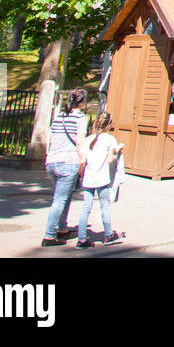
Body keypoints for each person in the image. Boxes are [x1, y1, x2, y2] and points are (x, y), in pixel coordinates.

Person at [42, 88, 89, 247]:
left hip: (52, 161)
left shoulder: (59, 117)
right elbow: (80, 141)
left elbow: (51, 138)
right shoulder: (81, 118)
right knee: (60, 199)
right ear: (82, 102)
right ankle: (49, 235)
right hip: (68, 161)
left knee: (65, 196)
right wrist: (82, 161)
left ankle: (62, 229)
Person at [76, 113, 125, 248]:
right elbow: (110, 160)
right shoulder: (109, 139)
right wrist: (117, 150)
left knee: (85, 208)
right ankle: (108, 235)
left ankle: (81, 238)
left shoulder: (89, 139)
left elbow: (82, 160)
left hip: (88, 177)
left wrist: (81, 174)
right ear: (109, 125)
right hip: (102, 178)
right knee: (105, 205)